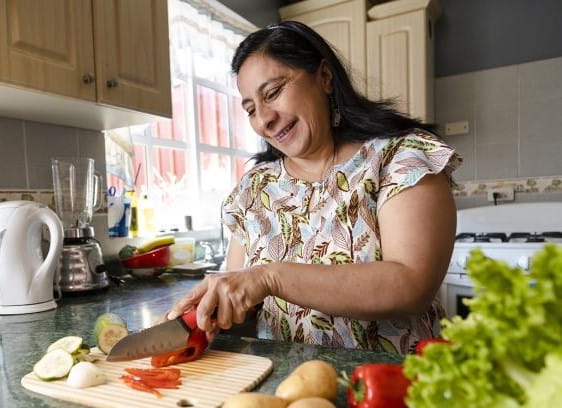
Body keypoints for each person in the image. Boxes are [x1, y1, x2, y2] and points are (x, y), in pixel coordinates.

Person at [167, 21, 461, 354]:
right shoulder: (254, 189)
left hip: (393, 388)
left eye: (273, 93)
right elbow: (240, 303)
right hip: (289, 390)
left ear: (324, 77)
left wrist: (270, 278)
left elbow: (411, 286)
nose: (263, 119)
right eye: (250, 109)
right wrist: (204, 313)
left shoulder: (400, 158)